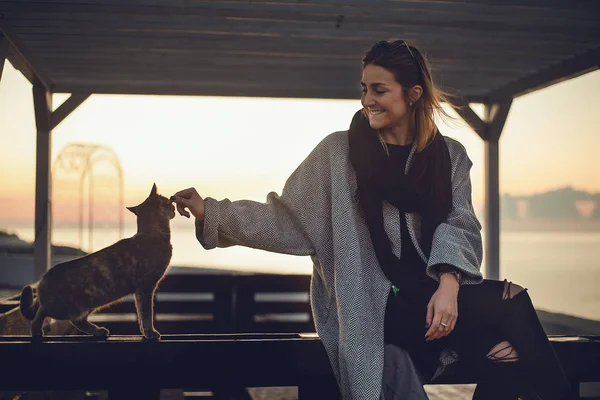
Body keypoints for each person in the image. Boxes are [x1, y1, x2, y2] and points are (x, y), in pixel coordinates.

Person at [172, 40, 574, 400]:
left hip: (434, 301)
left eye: (380, 90)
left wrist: (450, 283)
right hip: (375, 308)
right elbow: (286, 220)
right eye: (365, 89)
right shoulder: (337, 153)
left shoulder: (449, 156)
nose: (368, 99)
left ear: (413, 95)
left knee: (503, 351)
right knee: (511, 306)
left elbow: (461, 222)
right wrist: (213, 210)